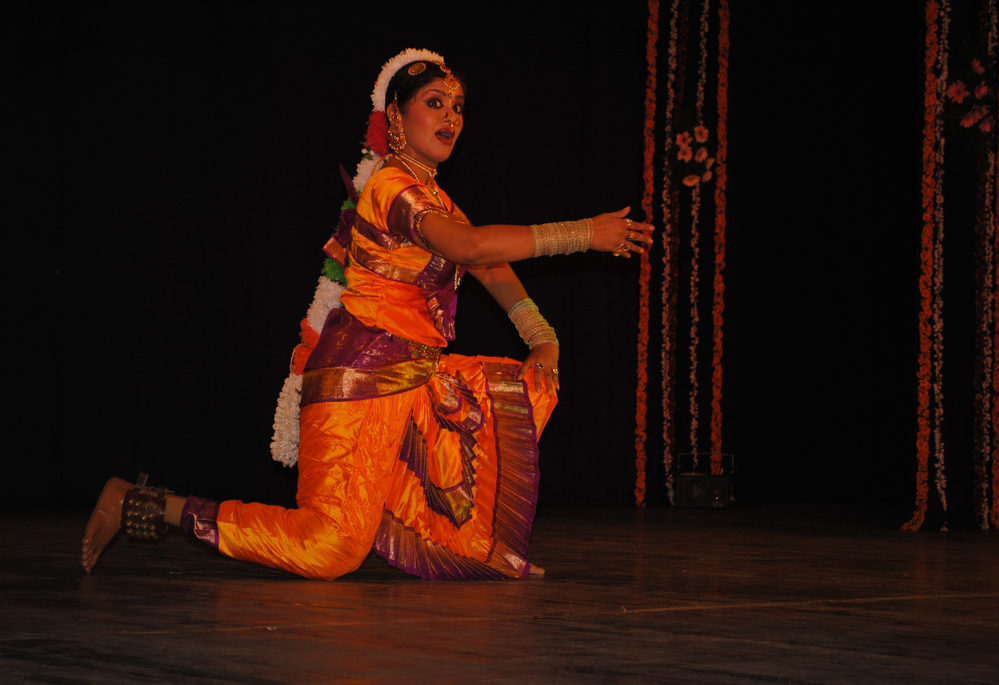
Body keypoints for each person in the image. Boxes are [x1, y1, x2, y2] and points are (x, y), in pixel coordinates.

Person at [81, 48, 654, 581]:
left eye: (457, 106)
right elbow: (473, 249)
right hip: (359, 380)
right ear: (397, 118)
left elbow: (489, 269)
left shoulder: (435, 198)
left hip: (411, 378)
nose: (451, 115)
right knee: (329, 548)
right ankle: (144, 503)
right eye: (435, 102)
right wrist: (584, 234)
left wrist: (541, 334)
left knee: (517, 391)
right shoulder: (389, 188)